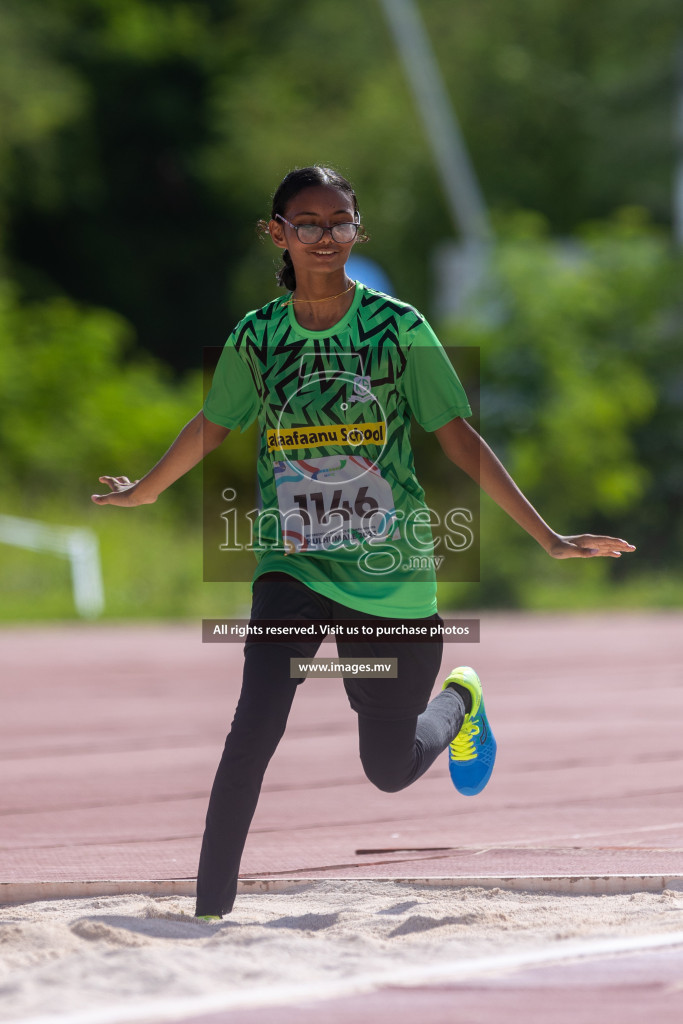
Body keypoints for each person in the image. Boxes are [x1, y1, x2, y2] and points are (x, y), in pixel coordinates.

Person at [92, 165, 635, 920]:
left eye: (339, 221)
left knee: (387, 768)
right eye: (307, 222)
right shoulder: (258, 336)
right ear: (275, 231)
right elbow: (214, 423)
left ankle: (460, 701)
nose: (325, 236)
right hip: (292, 566)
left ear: (357, 229)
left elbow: (457, 436)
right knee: (253, 728)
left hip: (390, 579)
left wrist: (545, 536)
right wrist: (146, 490)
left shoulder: (397, 328)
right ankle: (210, 910)